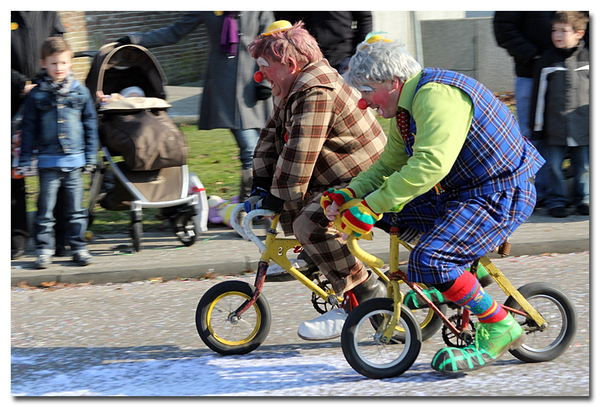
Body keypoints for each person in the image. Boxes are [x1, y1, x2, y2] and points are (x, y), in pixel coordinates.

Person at [326, 32, 544, 373]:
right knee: (392, 216)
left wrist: (372, 204)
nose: (363, 103)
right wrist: (352, 194)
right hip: (464, 192)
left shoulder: (435, 96)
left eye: (367, 91)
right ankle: (466, 272)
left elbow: (430, 165)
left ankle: (500, 326)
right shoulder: (404, 106)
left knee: (431, 259)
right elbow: (389, 164)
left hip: (500, 193)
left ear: (393, 81)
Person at [245, 21, 388, 340]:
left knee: (308, 224)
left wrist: (277, 194)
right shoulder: (291, 85)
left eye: (266, 66)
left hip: (363, 175)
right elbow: (272, 135)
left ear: (290, 63)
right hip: (336, 170)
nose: (261, 74)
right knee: (292, 213)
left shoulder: (315, 89)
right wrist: (260, 181)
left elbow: (300, 149)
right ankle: (319, 260)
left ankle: (362, 294)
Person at [116, 11, 274, 207]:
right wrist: (135, 39)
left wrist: (266, 81)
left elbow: (271, 42)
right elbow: (175, 32)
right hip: (224, 89)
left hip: (255, 87)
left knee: (266, 152)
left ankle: (259, 205)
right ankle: (248, 208)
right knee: (250, 151)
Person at [18, 37, 98, 269]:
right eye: (53, 63)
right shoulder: (36, 95)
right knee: (45, 210)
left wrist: (91, 157)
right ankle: (44, 249)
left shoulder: (80, 92)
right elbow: (29, 129)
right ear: (43, 63)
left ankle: (78, 246)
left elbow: (90, 125)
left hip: (75, 161)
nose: (59, 68)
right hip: (47, 163)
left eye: (63, 63)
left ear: (70, 63)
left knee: (75, 209)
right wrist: (25, 159)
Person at [11, 11, 67, 260]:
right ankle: (16, 238)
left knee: (57, 170)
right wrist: (20, 84)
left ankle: (60, 237)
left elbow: (60, 49)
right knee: (13, 174)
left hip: (49, 100)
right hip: (11, 101)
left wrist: (47, 83)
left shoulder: (47, 12)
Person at [530, 11, 589, 217]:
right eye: (555, 30)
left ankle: (585, 199)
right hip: (554, 128)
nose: (557, 35)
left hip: (584, 129)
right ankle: (556, 201)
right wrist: (537, 128)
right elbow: (539, 97)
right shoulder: (547, 60)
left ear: (579, 33)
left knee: (584, 166)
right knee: (553, 167)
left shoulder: (590, 58)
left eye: (564, 31)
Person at [493, 11, 555, 209]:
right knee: (531, 134)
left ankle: (561, 194)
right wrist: (533, 55)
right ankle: (531, 195)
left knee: (571, 135)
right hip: (531, 73)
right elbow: (503, 28)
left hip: (573, 69)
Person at [273, 11, 372, 73]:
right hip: (306, 63)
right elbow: (284, 25)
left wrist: (356, 58)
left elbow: (365, 19)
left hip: (343, 61)